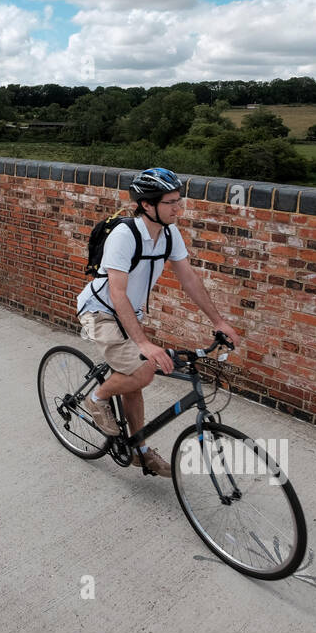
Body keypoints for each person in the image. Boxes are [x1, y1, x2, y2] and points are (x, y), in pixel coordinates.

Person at [75, 168, 242, 476]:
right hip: (99, 312)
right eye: (170, 202)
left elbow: (188, 278)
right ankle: (95, 399)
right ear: (147, 205)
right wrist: (143, 343)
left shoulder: (169, 233)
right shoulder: (125, 236)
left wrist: (218, 320)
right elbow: (117, 292)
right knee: (142, 371)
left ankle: (139, 450)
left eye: (179, 200)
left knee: (133, 379)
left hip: (129, 313)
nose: (178, 208)